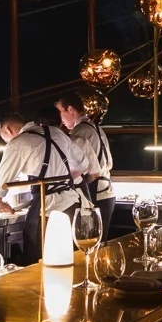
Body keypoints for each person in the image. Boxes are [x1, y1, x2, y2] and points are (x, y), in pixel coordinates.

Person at [0, 109, 86, 260]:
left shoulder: (19, 142)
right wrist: (60, 179)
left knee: (37, 259)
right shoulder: (59, 134)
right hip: (71, 204)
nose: (7, 142)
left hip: (44, 209)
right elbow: (82, 164)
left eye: (5, 139)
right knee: (69, 258)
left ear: (7, 130)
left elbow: (2, 180)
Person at [55, 90, 115, 233]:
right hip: (106, 190)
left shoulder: (79, 132)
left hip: (95, 192)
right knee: (99, 238)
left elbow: (83, 168)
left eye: (60, 113)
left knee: (90, 238)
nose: (60, 119)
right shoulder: (96, 127)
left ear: (70, 109)